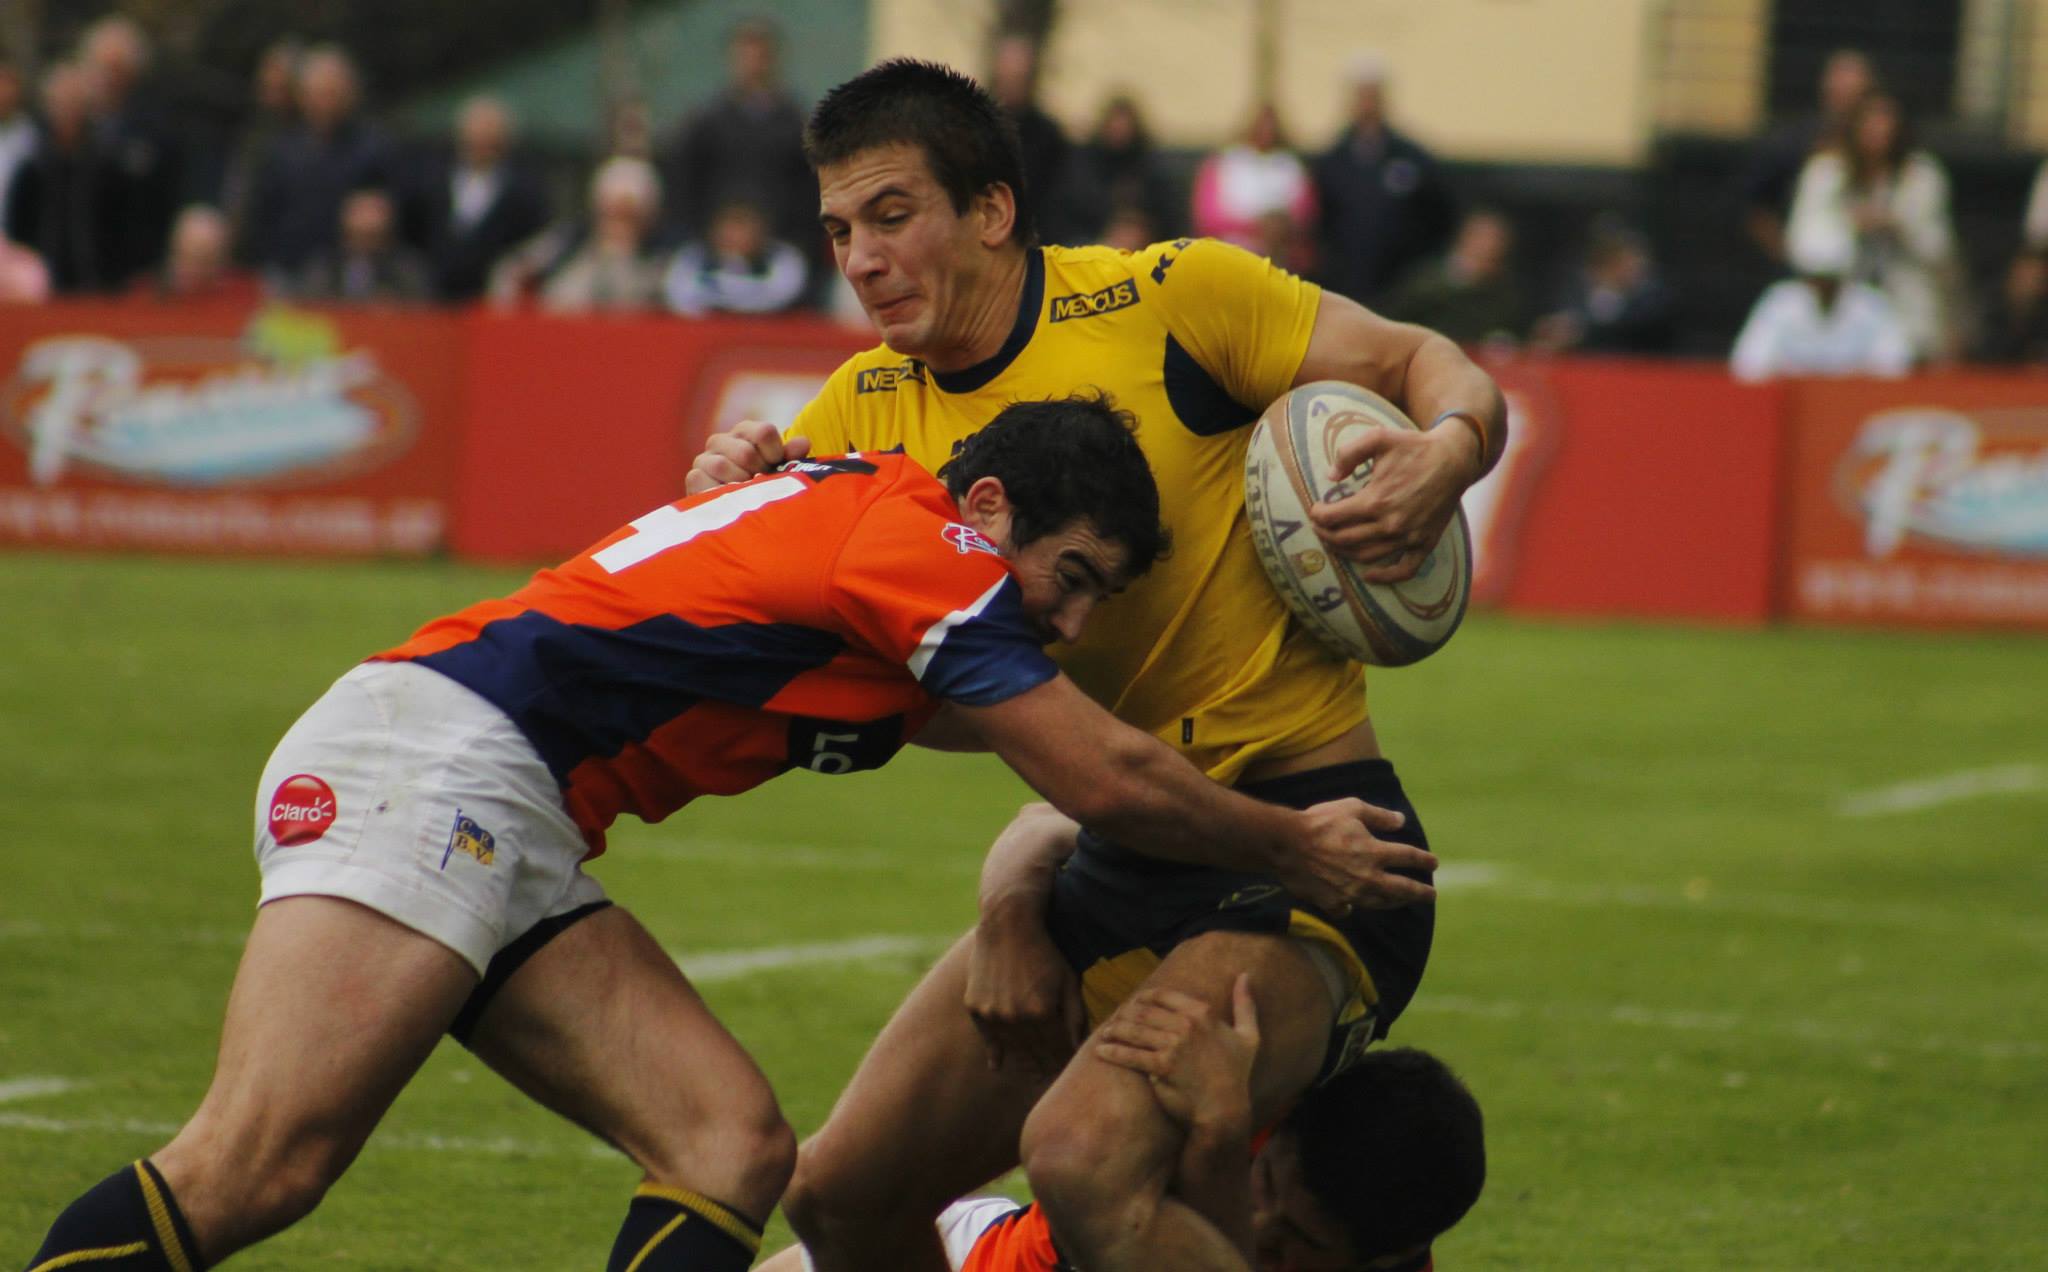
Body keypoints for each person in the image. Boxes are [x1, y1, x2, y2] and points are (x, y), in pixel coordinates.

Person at [23, 394, 1426, 1272]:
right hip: (437, 766)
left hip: (505, 806)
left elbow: (1013, 731)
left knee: (727, 1146)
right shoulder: (926, 544)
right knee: (259, 1164)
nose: (1062, 623)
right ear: (990, 508)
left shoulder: (872, 517)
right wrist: (1291, 844)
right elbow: (1099, 777)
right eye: (1067, 580)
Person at [684, 58, 1504, 1272]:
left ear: (992, 210)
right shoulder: (857, 416)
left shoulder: (1173, 297)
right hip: (1113, 850)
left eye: (892, 215)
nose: (860, 258)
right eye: (840, 230)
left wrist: (1447, 450)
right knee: (840, 1195)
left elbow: (1423, 361)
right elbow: (842, 676)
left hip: (1315, 847)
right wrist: (723, 496)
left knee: (1079, 1159)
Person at [761, 982, 1485, 1272]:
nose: (1260, 1229)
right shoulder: (1235, 1072)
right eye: (1263, 1184)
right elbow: (1041, 827)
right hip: (977, 1251)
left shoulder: (1230, 1113)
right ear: (1290, 1115)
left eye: (1295, 1243)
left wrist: (1220, 1138)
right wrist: (1013, 907)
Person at [1783, 89, 1964, 364]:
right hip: (1842, 306)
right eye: (1869, 120)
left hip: (1907, 304)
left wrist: (1897, 225)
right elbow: (1804, 246)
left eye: (1886, 121)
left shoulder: (1921, 177)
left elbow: (1939, 249)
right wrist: (1850, 226)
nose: (1878, 130)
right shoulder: (1826, 173)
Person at [662, 18, 815, 278]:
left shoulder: (795, 125)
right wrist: (711, 231)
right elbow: (684, 184)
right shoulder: (706, 123)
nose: (752, 64)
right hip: (710, 253)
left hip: (780, 252)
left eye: (760, 56)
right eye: (745, 55)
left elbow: (809, 192)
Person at [1310, 54, 1457, 306]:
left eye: (1373, 95)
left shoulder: (1412, 157)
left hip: (1402, 287)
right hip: (1345, 284)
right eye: (1361, 95)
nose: (1367, 103)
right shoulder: (1333, 160)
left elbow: (1439, 213)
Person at [242, 45, 394, 284]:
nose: (325, 102)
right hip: (287, 271)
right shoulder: (279, 150)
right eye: (318, 93)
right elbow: (263, 214)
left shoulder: (374, 149)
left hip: (345, 278)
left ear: (350, 94)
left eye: (332, 93)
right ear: (301, 96)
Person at [1738, 48, 1876, 267]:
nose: (1847, 101)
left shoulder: (1873, 146)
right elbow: (1754, 205)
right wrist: (1787, 253)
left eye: (1856, 94)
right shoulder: (1794, 141)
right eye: (1841, 90)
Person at [408, 94, 550, 303]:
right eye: (475, 137)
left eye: (490, 138)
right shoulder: (431, 181)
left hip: (491, 301)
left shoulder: (524, 192)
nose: (481, 144)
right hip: (434, 299)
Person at [492, 156, 669, 313]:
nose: (618, 224)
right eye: (612, 212)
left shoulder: (663, 263)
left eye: (628, 216)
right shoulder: (563, 243)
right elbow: (511, 272)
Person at [4, 62, 121, 293]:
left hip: (98, 286)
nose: (68, 111)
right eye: (61, 103)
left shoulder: (107, 165)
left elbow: (118, 226)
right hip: (41, 288)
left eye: (74, 103)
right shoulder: (32, 166)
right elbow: (17, 229)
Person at [1729, 244, 1912, 381]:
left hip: (1855, 400)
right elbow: (1748, 365)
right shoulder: (1781, 302)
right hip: (1793, 401)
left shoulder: (1870, 304)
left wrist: (1850, 377)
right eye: (1817, 280)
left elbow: (1895, 364)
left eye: (1830, 281)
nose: (1823, 288)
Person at [1191, 102, 1317, 273]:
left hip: (1282, 256)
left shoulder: (1290, 166)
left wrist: (1279, 226)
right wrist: (1256, 226)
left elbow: (1306, 214)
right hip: (1232, 252)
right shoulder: (1224, 164)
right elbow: (1208, 217)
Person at [1528, 216, 1677, 356]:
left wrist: (1582, 331)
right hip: (1580, 362)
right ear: (1608, 262)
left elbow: (1637, 330)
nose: (1636, 269)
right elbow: (1561, 315)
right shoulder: (1575, 287)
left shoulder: (1653, 296)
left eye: (1639, 262)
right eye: (1628, 263)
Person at [1378, 207, 1524, 348]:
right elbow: (1395, 314)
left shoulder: (1504, 293)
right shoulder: (1427, 279)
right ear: (1467, 237)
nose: (1488, 246)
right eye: (1483, 237)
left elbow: (1508, 332)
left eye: (1496, 240)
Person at [1051, 92, 1178, 247]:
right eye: (1115, 123)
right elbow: (1068, 216)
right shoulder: (1081, 168)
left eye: (1124, 123)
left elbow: (1169, 218)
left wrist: (1143, 232)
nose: (1120, 129)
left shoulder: (1152, 170)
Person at [663, 199, 810, 316]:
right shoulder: (693, 257)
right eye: (729, 228)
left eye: (742, 228)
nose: (734, 237)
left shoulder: (784, 259)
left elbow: (780, 297)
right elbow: (682, 298)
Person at [290, 186, 433, 304]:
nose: (367, 221)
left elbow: (425, 313)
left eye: (375, 211)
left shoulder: (408, 270)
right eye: (360, 211)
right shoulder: (321, 269)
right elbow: (307, 308)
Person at [141, 203, 260, 304]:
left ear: (222, 262)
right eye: (183, 256)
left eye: (201, 261)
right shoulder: (140, 298)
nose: (188, 269)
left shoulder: (248, 300)